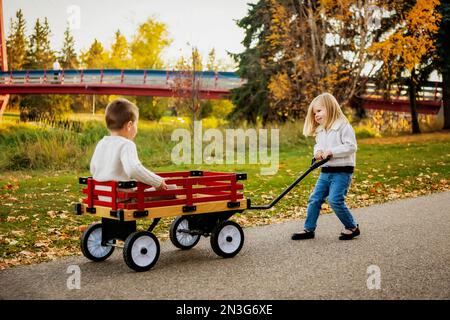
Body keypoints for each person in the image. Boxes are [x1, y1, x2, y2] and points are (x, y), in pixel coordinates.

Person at [291, 93, 360, 241]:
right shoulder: (321, 130)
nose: (316, 115)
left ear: (330, 108)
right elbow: (319, 145)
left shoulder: (343, 126)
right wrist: (318, 152)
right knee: (315, 199)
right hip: (326, 171)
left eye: (319, 111)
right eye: (314, 113)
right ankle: (308, 229)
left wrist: (332, 152)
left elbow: (351, 147)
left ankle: (352, 227)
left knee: (335, 200)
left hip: (342, 171)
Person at [90, 98, 170, 202]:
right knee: (172, 189)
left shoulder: (102, 143)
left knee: (139, 187)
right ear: (129, 125)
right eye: (136, 125)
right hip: (122, 198)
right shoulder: (126, 144)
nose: (136, 128)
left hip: (103, 196)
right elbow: (134, 169)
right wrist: (157, 182)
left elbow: (93, 169)